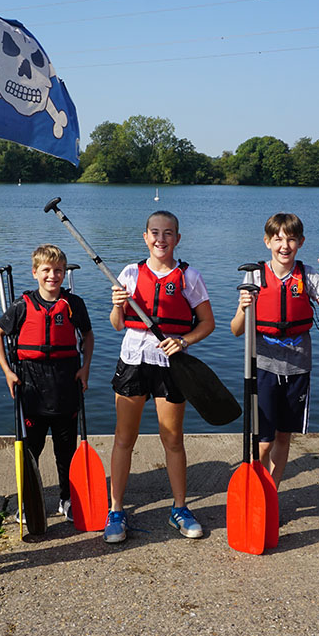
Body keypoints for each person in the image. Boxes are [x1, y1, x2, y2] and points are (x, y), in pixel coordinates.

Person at [104, 210, 214, 544]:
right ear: (145, 236)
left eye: (168, 233)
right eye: (154, 232)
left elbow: (207, 324)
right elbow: (116, 324)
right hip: (134, 359)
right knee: (124, 437)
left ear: (177, 239)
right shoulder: (129, 273)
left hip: (171, 364)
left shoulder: (189, 277)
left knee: (173, 439)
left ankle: (179, 508)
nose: (160, 239)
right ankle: (116, 510)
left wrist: (184, 340)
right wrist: (116, 304)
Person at [229, 213, 319, 487]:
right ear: (267, 242)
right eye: (278, 239)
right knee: (263, 442)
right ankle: (254, 489)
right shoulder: (254, 276)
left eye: (291, 239)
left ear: (301, 242)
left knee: (284, 436)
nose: (285, 246)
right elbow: (236, 329)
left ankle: (273, 491)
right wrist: (244, 308)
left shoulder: (309, 277)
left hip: (297, 368)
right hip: (263, 367)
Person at [0, 244, 94, 523]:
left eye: (58, 270)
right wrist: (8, 372)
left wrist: (85, 368)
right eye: (46, 270)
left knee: (66, 451)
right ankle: (28, 499)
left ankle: (67, 499)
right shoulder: (22, 306)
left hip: (65, 384)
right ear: (35, 272)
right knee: (31, 449)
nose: (53, 275)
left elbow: (88, 336)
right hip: (31, 386)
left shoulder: (74, 304)